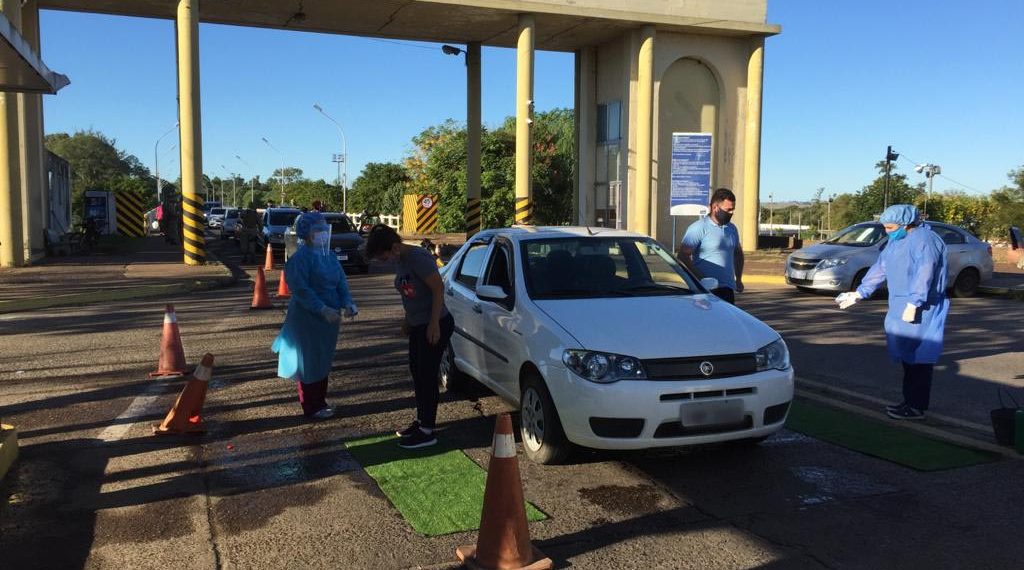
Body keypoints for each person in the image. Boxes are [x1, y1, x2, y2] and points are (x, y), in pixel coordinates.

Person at [835, 204, 949, 421]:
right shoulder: (896, 242)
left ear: (906, 224)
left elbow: (925, 271)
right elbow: (880, 267)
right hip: (901, 303)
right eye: (885, 227)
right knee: (908, 358)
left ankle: (916, 407)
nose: (887, 231)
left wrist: (915, 302)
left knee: (920, 359)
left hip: (923, 306)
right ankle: (909, 401)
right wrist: (859, 293)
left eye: (890, 226)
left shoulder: (925, 240)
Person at [366, 224, 455, 449]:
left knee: (426, 375)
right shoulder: (401, 260)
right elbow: (411, 294)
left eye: (382, 255)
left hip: (434, 324)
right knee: (417, 372)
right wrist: (408, 321)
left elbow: (437, 289)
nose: (382, 260)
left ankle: (427, 431)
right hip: (418, 325)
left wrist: (434, 324)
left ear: (395, 246)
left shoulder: (418, 258)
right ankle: (422, 420)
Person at [271, 211, 358, 420]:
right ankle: (310, 405)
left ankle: (321, 401)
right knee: (308, 361)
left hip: (330, 319)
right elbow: (301, 290)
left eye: (323, 230)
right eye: (317, 231)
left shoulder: (329, 257)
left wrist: (348, 303)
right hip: (307, 318)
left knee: (322, 359)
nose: (322, 234)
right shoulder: (299, 259)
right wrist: (321, 308)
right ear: (307, 234)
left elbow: (340, 282)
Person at [677, 187, 745, 304]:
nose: (731, 213)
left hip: (727, 290)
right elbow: (682, 256)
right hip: (705, 291)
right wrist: (701, 279)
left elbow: (738, 253)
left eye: (733, 210)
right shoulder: (699, 227)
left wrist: (738, 279)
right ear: (715, 208)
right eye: (728, 210)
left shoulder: (732, 228)